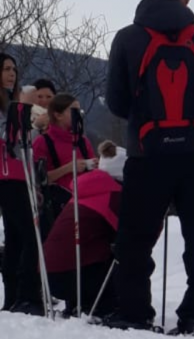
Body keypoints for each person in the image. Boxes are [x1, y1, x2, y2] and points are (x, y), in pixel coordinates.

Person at [105, 0, 194, 334]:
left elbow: (118, 103)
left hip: (147, 154)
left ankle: (135, 313)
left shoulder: (127, 38)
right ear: (182, 0)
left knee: (136, 236)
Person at [42, 168, 122, 319]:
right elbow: (126, 234)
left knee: (85, 244)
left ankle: (77, 303)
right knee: (117, 253)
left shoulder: (81, 195)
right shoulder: (113, 194)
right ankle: (102, 304)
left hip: (49, 276)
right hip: (75, 277)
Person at [0, 52, 44, 314]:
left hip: (19, 176)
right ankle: (27, 294)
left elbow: (25, 149)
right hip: (6, 177)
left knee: (16, 237)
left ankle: (14, 297)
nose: (11, 73)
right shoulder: (9, 109)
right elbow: (12, 141)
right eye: (6, 69)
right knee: (30, 234)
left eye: (13, 69)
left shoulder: (12, 104)